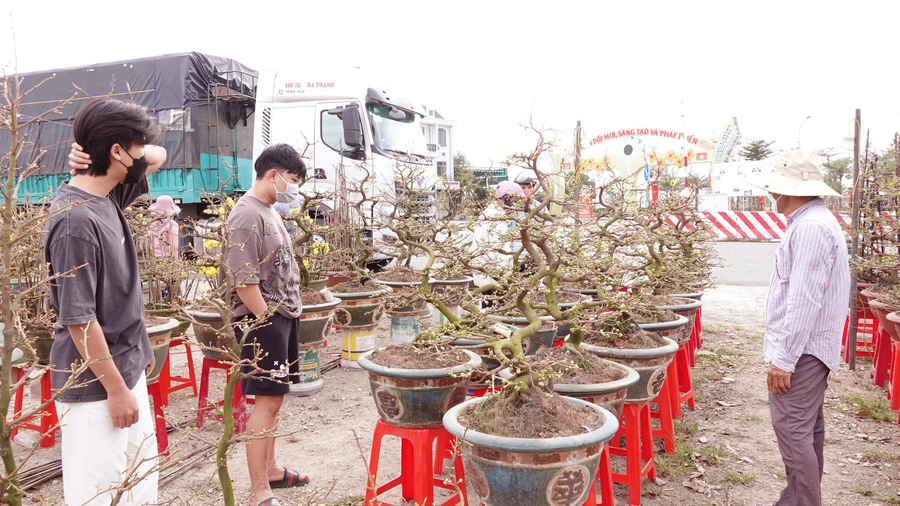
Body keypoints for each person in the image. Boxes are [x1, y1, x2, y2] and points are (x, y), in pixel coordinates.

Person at [45, 98, 166, 506]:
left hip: (125, 368)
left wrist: (94, 151)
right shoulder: (74, 222)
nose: (142, 155)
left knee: (138, 485)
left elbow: (159, 154)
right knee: (98, 494)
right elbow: (79, 320)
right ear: (117, 152)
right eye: (135, 147)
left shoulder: (108, 195)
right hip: (96, 387)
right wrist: (116, 390)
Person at [747, 151, 849, 506]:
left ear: (792, 190)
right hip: (810, 346)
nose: (773, 194)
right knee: (806, 432)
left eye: (777, 188)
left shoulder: (810, 228)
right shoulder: (813, 221)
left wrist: (784, 359)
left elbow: (804, 299)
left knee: (792, 431)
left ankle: (802, 501)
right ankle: (796, 497)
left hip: (803, 349)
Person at [221, 143, 307, 506]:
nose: (295, 188)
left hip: (280, 316)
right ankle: (259, 491)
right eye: (293, 180)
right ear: (273, 175)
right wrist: (265, 318)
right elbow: (243, 278)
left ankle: (270, 470)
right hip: (262, 321)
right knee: (265, 402)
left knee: (274, 401)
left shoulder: (268, 209)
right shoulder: (245, 214)